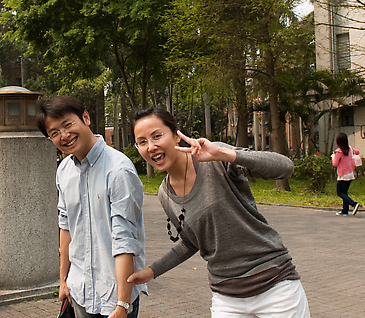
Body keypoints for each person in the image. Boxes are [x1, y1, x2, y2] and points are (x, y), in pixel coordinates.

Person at [128, 107, 309, 318]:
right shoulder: (164, 194)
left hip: (274, 286)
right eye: (142, 142)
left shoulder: (215, 159)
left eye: (157, 136)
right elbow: (191, 242)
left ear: (176, 136)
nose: (151, 146)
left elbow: (285, 167)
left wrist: (224, 154)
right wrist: (152, 271)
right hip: (227, 297)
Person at [36, 96, 147, 318]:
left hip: (113, 296)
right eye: (54, 133)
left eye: (68, 125)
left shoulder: (118, 170)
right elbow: (66, 227)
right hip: (79, 291)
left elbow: (125, 240)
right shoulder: (64, 170)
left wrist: (123, 305)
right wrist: (63, 281)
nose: (64, 136)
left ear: (85, 117)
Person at [332, 133, 361, 216]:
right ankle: (345, 210)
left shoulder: (338, 152)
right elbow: (357, 152)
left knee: (340, 192)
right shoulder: (350, 149)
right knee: (344, 192)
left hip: (343, 174)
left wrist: (333, 157)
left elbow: (335, 163)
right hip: (350, 173)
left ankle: (354, 204)